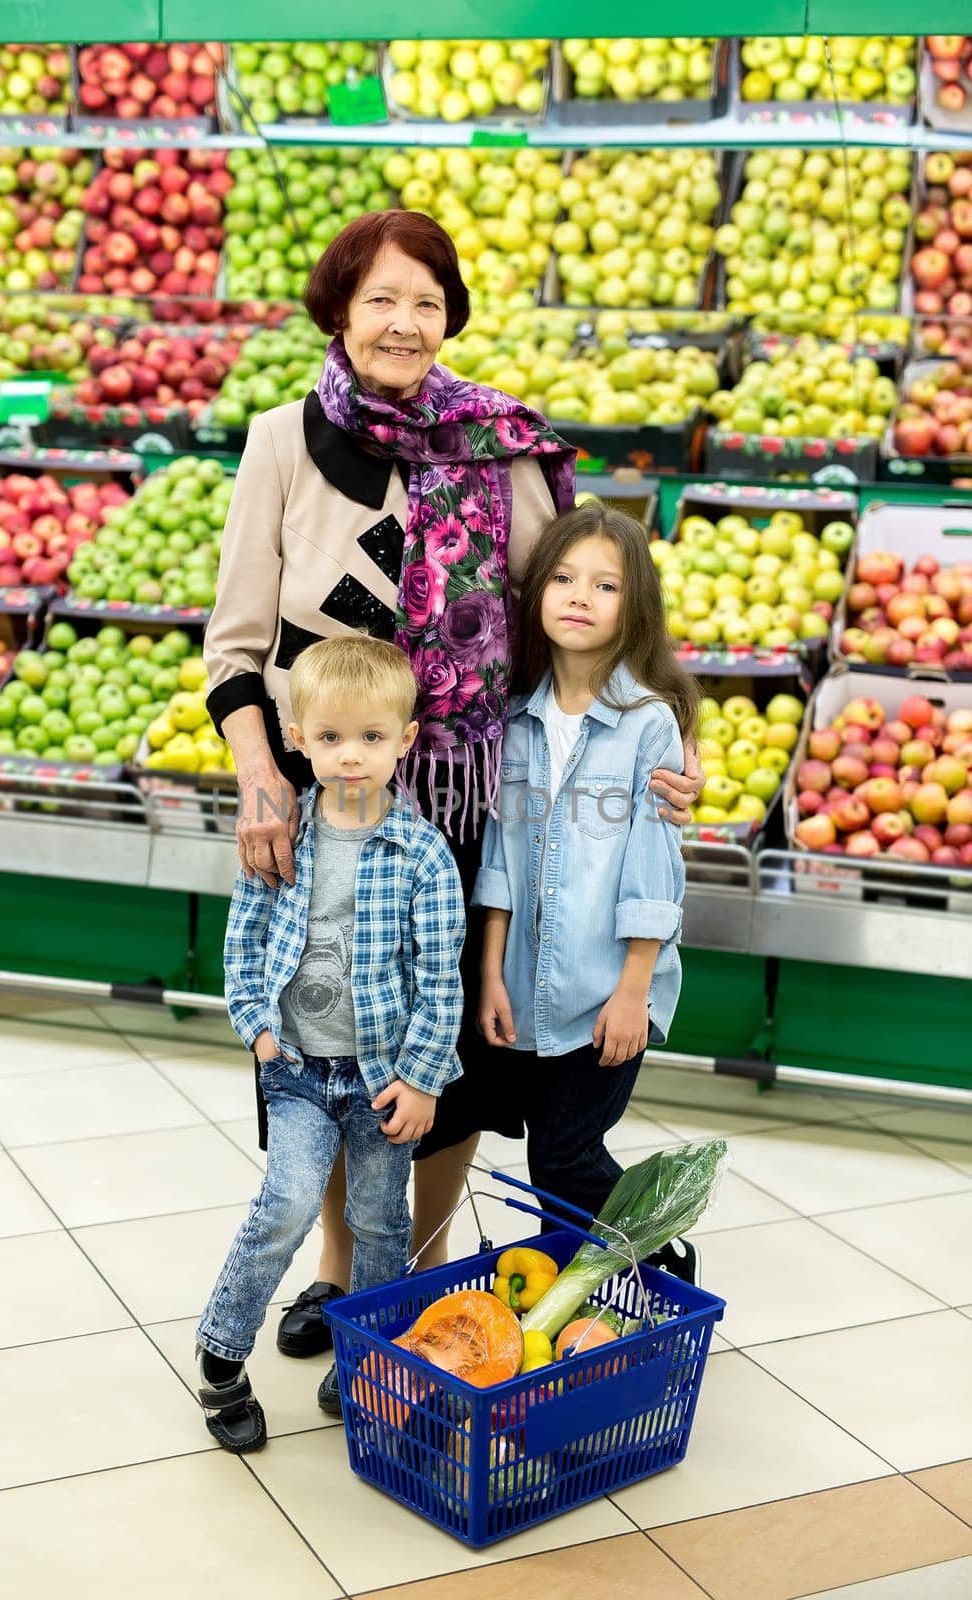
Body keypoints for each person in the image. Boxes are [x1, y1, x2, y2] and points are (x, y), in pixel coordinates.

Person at [203, 208, 704, 1373]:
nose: (402, 321)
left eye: (425, 301)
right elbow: (233, 645)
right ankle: (337, 1272)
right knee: (327, 1030)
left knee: (442, 1059)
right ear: (339, 308)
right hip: (322, 797)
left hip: (469, 805)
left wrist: (654, 751)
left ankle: (413, 1272)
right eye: (380, 298)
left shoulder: (502, 447)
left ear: (449, 318)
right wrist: (257, 783)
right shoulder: (282, 440)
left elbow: (573, 619)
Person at [195, 636, 465, 1451]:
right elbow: (243, 939)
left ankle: (364, 1363)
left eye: (372, 738)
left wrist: (421, 1081)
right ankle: (220, 1359)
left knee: (383, 1225)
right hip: (299, 1072)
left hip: (382, 1076)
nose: (352, 757)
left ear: (405, 739)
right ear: (299, 738)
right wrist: (258, 1030)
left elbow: (439, 976)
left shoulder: (422, 853)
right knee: (282, 1204)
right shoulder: (281, 833)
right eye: (332, 738)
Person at [474, 504, 701, 1282]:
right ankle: (579, 1303)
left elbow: (651, 870)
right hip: (528, 986)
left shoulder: (647, 726)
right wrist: (491, 974)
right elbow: (501, 859)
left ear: (633, 605)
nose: (579, 596)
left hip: (608, 984)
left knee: (565, 1153)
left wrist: (632, 990)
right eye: (564, 579)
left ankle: (663, 1267)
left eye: (604, 584)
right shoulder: (515, 721)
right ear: (536, 593)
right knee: (551, 1159)